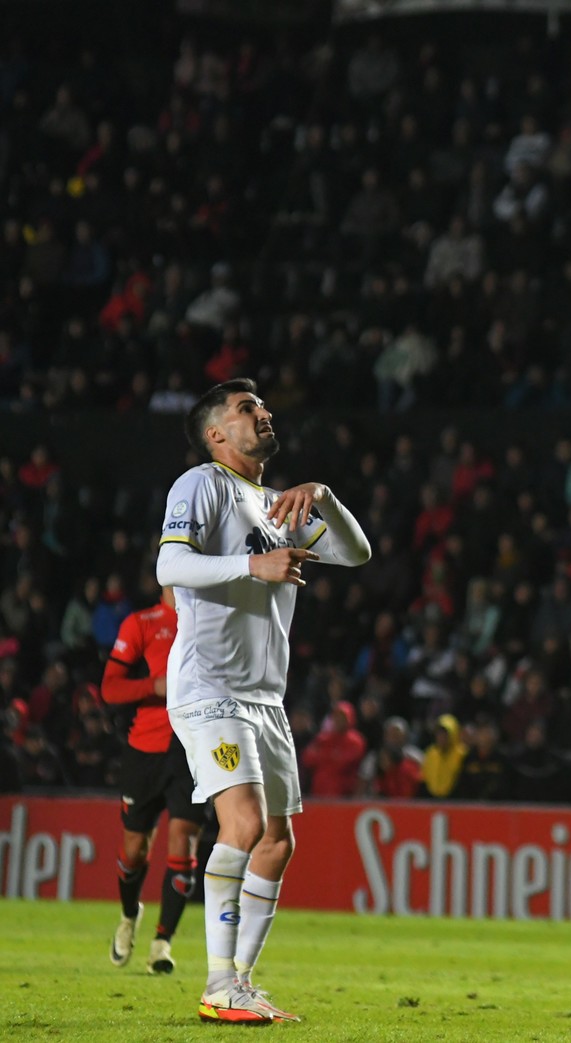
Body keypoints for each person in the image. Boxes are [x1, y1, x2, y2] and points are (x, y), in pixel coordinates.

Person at [157, 378, 371, 1023]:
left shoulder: (280, 502)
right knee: (244, 825)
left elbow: (357, 555)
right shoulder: (202, 484)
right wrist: (253, 567)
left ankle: (242, 982)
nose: (263, 413)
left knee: (278, 840)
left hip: (265, 698)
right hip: (208, 685)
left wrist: (325, 499)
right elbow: (171, 569)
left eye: (263, 405)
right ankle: (218, 983)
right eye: (247, 408)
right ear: (217, 434)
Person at [100, 584, 200, 975]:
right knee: (134, 851)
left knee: (183, 843)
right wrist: (152, 687)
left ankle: (162, 943)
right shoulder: (143, 623)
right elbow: (110, 688)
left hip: (191, 747)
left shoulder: (210, 617)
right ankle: (129, 916)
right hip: (145, 750)